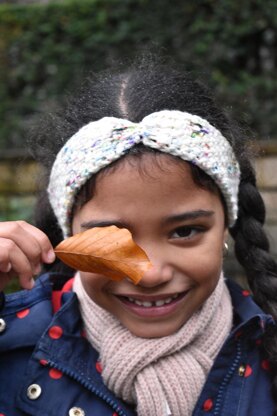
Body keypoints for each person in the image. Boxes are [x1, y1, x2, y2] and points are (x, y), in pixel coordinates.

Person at [0, 58, 276, 416]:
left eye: (185, 231)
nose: (149, 274)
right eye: (110, 237)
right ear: (69, 234)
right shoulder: (10, 350)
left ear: (227, 225)